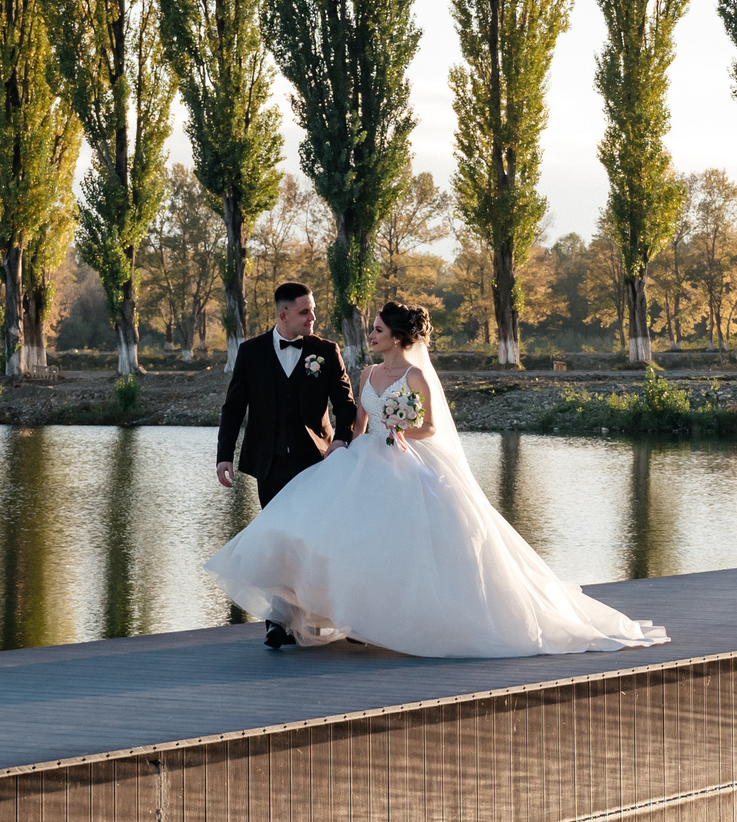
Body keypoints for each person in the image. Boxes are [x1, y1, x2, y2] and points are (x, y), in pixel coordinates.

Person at [205, 301, 668, 658]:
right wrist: (342, 447)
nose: (371, 335)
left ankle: (394, 618)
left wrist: (401, 429)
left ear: (397, 336)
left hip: (405, 459)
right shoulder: (368, 371)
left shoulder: (417, 376)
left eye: (378, 330)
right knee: (323, 527)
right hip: (362, 458)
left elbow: (430, 429)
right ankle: (315, 614)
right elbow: (357, 423)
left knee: (405, 543)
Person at [215, 279, 356, 504]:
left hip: (316, 458)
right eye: (305, 312)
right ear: (283, 315)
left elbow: (345, 403)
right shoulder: (251, 352)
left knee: (311, 531)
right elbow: (234, 408)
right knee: (274, 533)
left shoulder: (327, 352)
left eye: (313, 311)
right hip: (268, 464)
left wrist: (341, 440)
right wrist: (224, 456)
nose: (312, 318)